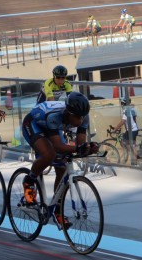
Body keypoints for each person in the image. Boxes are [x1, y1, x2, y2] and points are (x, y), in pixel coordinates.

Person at [21, 91, 99, 226]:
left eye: (82, 117)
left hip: (52, 127)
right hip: (33, 124)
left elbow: (80, 144)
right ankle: (29, 180)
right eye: (77, 117)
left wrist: (88, 147)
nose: (80, 121)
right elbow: (58, 146)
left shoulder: (83, 117)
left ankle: (57, 210)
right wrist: (78, 148)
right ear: (68, 113)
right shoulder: (55, 116)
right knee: (49, 154)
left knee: (62, 167)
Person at [113, 97, 139, 165]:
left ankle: (135, 162)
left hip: (132, 131)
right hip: (132, 130)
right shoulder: (131, 109)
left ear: (124, 103)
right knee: (124, 141)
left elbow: (123, 121)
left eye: (122, 103)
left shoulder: (126, 110)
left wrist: (115, 128)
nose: (121, 105)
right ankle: (133, 155)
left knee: (132, 146)